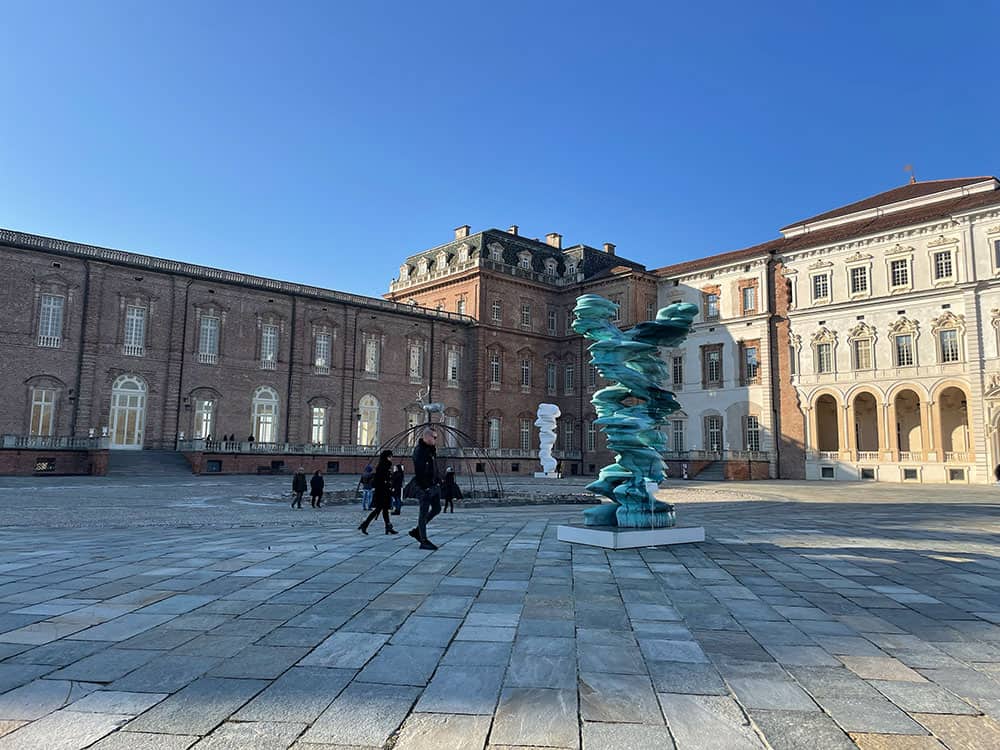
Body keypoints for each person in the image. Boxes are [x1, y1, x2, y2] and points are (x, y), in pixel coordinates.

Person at [409, 427, 442, 551]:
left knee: (437, 508)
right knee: (422, 514)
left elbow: (434, 467)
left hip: (433, 485)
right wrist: (425, 487)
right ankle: (423, 540)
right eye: (434, 437)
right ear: (427, 437)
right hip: (425, 487)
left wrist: (438, 480)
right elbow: (419, 471)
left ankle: (417, 531)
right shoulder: (420, 451)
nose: (435, 439)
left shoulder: (431, 450)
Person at [359, 450, 398, 535]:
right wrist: (388, 483)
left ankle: (388, 527)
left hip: (384, 491)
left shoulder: (385, 466)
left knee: (384, 510)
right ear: (387, 457)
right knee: (378, 510)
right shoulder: (383, 466)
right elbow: (380, 480)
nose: (392, 458)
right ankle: (365, 525)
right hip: (382, 492)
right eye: (390, 456)